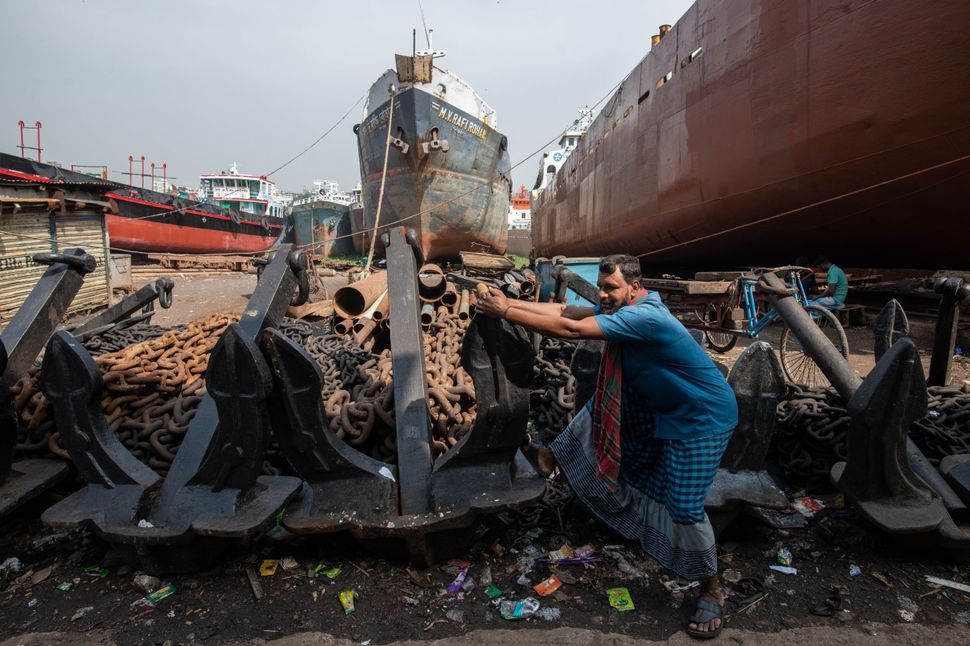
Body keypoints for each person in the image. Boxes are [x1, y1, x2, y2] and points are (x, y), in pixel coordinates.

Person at [476, 254, 739, 639]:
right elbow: (566, 309)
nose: (603, 295)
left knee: (683, 506)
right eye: (601, 287)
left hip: (701, 419)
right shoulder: (624, 307)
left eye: (611, 288)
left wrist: (505, 312)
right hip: (661, 407)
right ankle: (550, 456)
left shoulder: (646, 317)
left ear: (635, 287)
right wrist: (507, 303)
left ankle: (712, 589)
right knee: (606, 400)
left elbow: (571, 330)